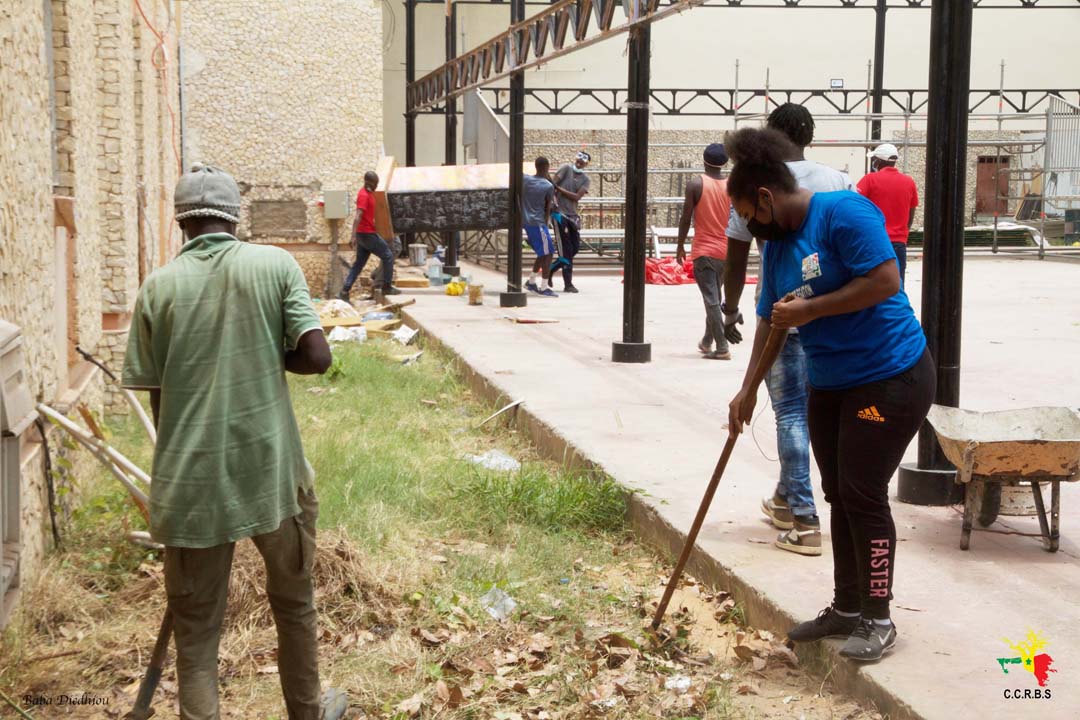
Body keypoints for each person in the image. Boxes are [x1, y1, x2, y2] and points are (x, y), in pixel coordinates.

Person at [122, 165, 346, 718]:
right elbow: (318, 357)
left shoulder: (158, 287)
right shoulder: (273, 264)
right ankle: (307, 712)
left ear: (182, 224)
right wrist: (271, 356)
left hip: (189, 483)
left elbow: (160, 400)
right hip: (271, 474)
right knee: (294, 607)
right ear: (235, 216)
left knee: (197, 638)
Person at [724, 128, 934, 662]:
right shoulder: (775, 251)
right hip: (831, 383)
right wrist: (747, 390)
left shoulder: (844, 212)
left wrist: (813, 310)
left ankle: (879, 616)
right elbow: (771, 317)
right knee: (838, 493)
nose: (749, 226)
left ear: (767, 198)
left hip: (890, 377)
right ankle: (846, 607)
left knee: (863, 491)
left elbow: (886, 280)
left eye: (750, 214)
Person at [722, 103, 853, 556]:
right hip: (827, 320)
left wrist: (728, 308)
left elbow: (737, 255)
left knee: (792, 414)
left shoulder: (759, 185)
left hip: (784, 309)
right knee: (810, 415)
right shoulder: (837, 181)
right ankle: (786, 497)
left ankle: (804, 514)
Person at [676, 143, 732, 360]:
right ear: (725, 163)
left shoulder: (696, 184)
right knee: (715, 297)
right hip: (726, 251)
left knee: (711, 300)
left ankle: (722, 346)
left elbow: (685, 217)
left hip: (705, 250)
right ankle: (708, 341)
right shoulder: (730, 186)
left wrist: (680, 244)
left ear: (703, 159)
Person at [857, 143, 919, 284]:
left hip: (874, 241)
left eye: (874, 160)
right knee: (897, 285)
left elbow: (855, 205)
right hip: (899, 243)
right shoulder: (909, 182)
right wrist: (903, 231)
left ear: (878, 161)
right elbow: (911, 212)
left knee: (872, 286)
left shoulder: (869, 180)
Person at [340, 170, 400, 300]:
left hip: (364, 234)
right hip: (366, 234)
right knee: (388, 255)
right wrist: (353, 236)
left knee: (359, 264)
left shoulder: (368, 193)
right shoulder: (364, 195)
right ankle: (387, 287)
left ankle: (344, 291)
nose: (376, 186)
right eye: (375, 183)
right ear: (369, 182)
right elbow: (358, 216)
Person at [551, 151, 591, 293]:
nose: (580, 161)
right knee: (567, 249)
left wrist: (559, 189)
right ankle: (568, 283)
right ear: (576, 158)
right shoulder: (565, 168)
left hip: (573, 215)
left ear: (587, 164)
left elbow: (576, 197)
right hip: (559, 214)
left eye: (584, 160)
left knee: (574, 248)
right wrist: (553, 202)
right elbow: (551, 184)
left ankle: (552, 268)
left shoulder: (586, 179)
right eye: (579, 158)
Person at [523, 157, 558, 298]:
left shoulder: (525, 180)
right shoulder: (548, 186)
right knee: (549, 253)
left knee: (542, 252)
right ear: (547, 167)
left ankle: (531, 281)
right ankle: (544, 287)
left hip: (526, 222)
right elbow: (547, 208)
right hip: (538, 223)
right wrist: (545, 225)